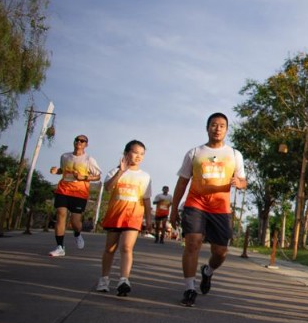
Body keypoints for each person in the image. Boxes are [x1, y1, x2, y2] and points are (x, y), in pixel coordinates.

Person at [169, 113, 247, 307]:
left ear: (226, 130)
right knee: (192, 243)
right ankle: (189, 288)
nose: (217, 128)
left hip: (220, 208)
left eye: (222, 125)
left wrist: (239, 182)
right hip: (196, 204)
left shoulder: (234, 155)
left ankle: (208, 271)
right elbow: (182, 182)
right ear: (207, 128)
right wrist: (173, 209)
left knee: (220, 252)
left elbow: (243, 182)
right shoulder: (195, 153)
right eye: (214, 125)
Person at [96, 141, 152, 297]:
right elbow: (107, 188)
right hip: (115, 215)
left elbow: (146, 199)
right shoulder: (115, 171)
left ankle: (124, 280)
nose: (138, 156)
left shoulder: (145, 176)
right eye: (135, 152)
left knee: (127, 247)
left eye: (142, 153)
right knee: (110, 248)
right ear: (126, 153)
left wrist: (148, 219)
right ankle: (104, 279)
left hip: (133, 217)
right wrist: (120, 172)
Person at [47, 134, 101, 257]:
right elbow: (63, 170)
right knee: (61, 214)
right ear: (74, 142)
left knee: (75, 222)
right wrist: (56, 171)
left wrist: (84, 177)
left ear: (86, 145)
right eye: (77, 140)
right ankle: (60, 247)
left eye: (83, 141)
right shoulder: (65, 156)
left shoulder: (89, 160)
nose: (79, 142)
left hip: (79, 193)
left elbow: (98, 176)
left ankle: (77, 233)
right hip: (63, 190)